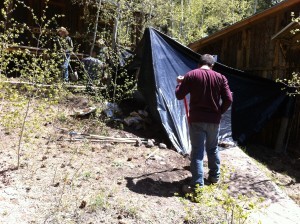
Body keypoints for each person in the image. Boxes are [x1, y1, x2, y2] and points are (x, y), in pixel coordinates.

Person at [175, 54, 233, 193]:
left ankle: (197, 185)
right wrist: (219, 111)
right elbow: (229, 99)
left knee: (197, 153)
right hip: (214, 120)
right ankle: (214, 177)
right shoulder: (220, 77)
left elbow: (179, 95)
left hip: (197, 120)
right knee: (212, 148)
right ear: (212, 66)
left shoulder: (192, 75)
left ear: (199, 64)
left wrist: (179, 83)